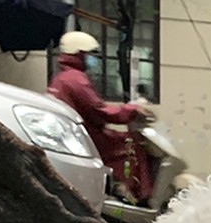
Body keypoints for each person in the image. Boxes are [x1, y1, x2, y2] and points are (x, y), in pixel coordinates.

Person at [48, 31, 153, 204]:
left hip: (76, 135)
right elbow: (100, 111)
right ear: (79, 54)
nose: (92, 59)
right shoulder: (76, 80)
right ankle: (133, 194)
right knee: (131, 145)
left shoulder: (61, 79)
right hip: (88, 136)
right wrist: (133, 110)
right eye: (89, 54)